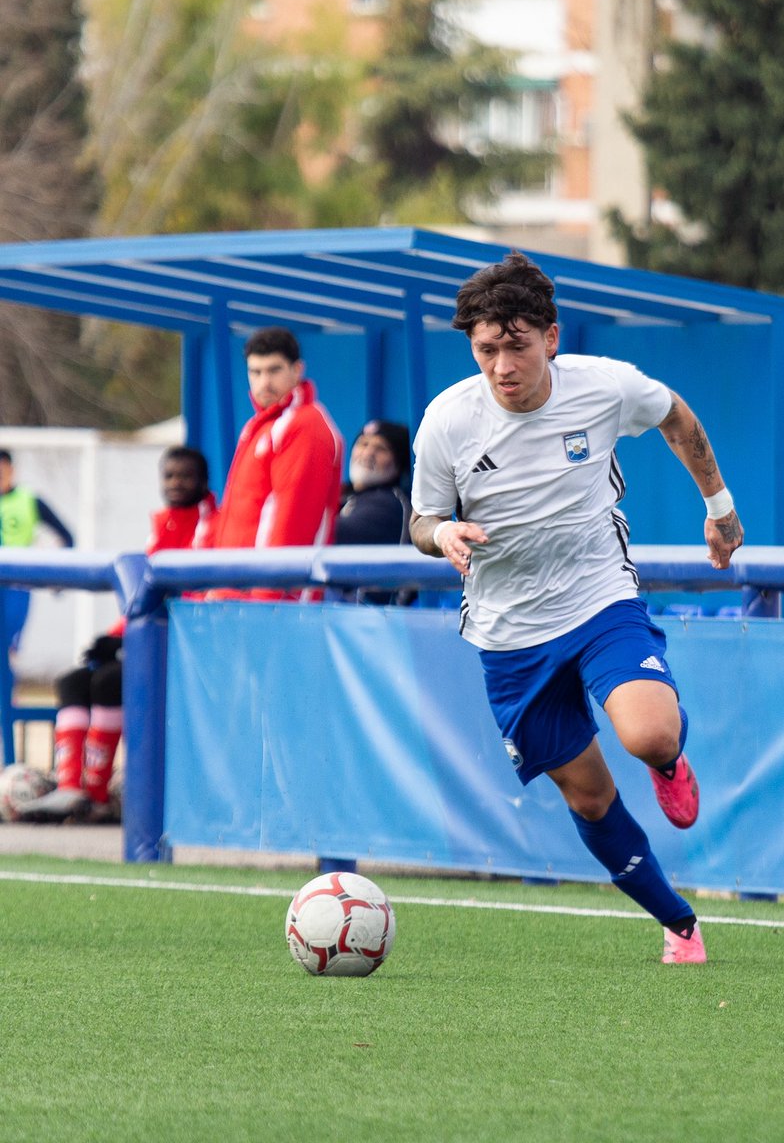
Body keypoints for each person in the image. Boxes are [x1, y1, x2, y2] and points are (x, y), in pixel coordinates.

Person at [409, 251, 744, 965]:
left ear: (551, 337)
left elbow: (676, 416)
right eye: (487, 350)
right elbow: (420, 520)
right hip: (509, 635)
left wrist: (719, 508)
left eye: (518, 346)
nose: (503, 366)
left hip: (598, 598)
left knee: (649, 735)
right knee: (589, 798)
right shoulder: (447, 421)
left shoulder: (605, 387)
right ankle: (680, 924)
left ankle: (669, 761)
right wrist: (442, 535)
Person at [20, 447, 219, 823]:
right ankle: (71, 789)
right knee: (73, 680)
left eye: (185, 476)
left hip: (186, 648)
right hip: (147, 639)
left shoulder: (211, 525)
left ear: (204, 482)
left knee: (110, 681)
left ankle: (96, 796)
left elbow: (194, 596)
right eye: (169, 476)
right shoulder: (162, 524)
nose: (175, 483)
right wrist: (112, 638)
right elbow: (139, 597)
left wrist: (126, 644)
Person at [207, 326, 343, 599]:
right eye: (255, 372)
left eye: (274, 370)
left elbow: (292, 522)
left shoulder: (305, 425)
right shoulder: (260, 425)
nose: (264, 382)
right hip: (237, 594)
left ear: (297, 369)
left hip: (272, 602)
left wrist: (264, 601)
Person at [0, 448, 74, 654]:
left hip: (16, 582)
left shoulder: (28, 500)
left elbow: (67, 536)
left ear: (12, 470)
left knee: (8, 645)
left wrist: (58, 574)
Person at [333, 419, 414, 605]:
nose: (368, 453)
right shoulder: (347, 496)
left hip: (378, 617)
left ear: (398, 462)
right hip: (343, 614)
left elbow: (332, 534)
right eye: (363, 444)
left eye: (381, 449)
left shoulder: (390, 502)